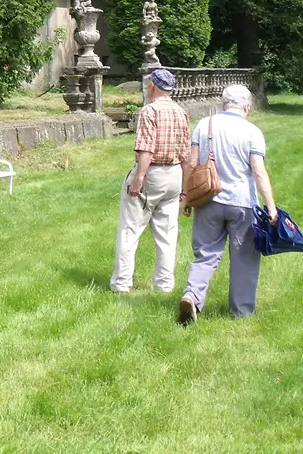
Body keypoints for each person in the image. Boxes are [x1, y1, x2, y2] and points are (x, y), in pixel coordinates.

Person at [178, 84, 278, 324]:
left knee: (205, 254)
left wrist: (185, 195)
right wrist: (271, 206)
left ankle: (192, 296)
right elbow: (259, 172)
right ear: (247, 106)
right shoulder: (252, 131)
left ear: (223, 104)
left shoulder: (204, 125)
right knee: (245, 257)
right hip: (242, 203)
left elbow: (191, 163)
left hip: (208, 198)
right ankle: (241, 312)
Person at [110, 68, 191, 294]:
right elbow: (186, 155)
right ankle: (165, 285)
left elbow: (146, 149)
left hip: (152, 173)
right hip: (174, 174)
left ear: (153, 86)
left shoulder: (149, 112)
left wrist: (138, 179)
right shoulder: (181, 113)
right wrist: (185, 187)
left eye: (148, 84)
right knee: (167, 234)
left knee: (130, 228)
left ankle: (121, 283)